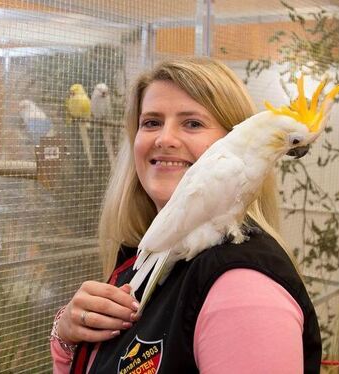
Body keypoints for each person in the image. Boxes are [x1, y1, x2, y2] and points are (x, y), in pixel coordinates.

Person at [50, 57, 321, 373]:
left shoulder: (241, 288)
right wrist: (68, 338)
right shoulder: (149, 256)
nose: (165, 139)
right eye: (151, 122)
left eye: (192, 123)